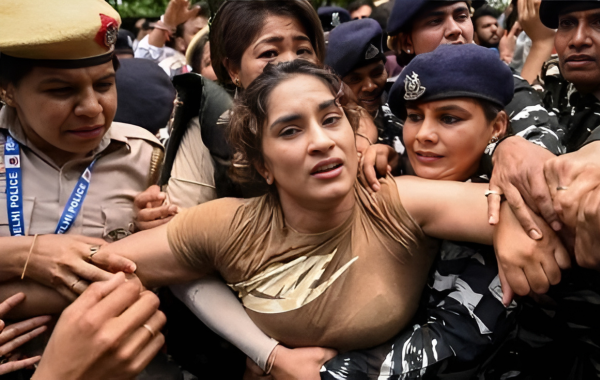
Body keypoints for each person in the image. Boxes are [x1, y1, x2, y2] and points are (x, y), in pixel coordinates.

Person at [103, 60, 547, 379]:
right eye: (291, 130)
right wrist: (33, 253)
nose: (321, 142)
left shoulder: (393, 201)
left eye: (330, 120)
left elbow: (563, 209)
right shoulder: (227, 227)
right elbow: (94, 269)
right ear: (263, 166)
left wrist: (512, 204)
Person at [0, 0, 167, 377]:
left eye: (105, 84)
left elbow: (176, 264)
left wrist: (155, 227)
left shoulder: (147, 157)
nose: (92, 108)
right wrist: (27, 253)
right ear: (8, 90)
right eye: (61, 91)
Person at [480, 2, 600, 378]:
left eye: (598, 22)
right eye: (567, 24)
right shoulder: (557, 93)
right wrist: (503, 148)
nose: (578, 39)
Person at [325, 18, 404, 154]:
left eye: (377, 73)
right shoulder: (325, 125)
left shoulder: (404, 104)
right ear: (336, 82)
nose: (370, 86)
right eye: (355, 79)